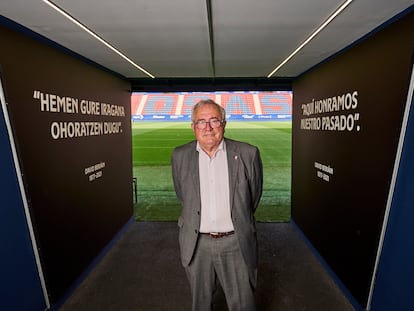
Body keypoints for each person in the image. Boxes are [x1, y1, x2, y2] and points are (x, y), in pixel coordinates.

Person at [171, 99, 263, 311]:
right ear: (193, 126)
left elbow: (252, 198)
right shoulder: (180, 156)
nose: (208, 128)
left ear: (224, 123)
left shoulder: (248, 154)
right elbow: (183, 196)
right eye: (201, 122)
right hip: (197, 245)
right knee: (200, 304)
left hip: (235, 243)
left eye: (214, 121)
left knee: (243, 305)